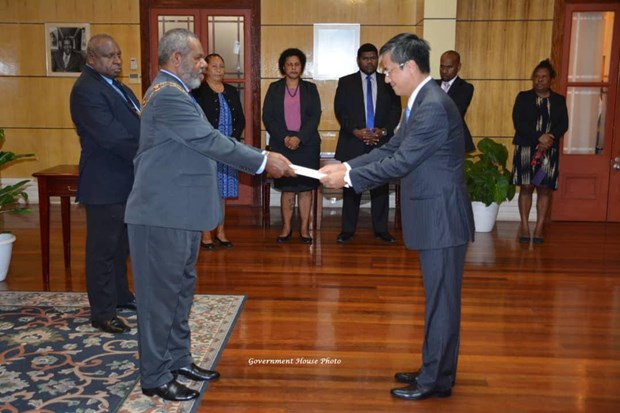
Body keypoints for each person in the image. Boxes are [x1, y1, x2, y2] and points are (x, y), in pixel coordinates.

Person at [125, 28, 292, 402]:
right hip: (160, 216)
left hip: (179, 213)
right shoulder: (169, 96)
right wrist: (263, 160)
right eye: (198, 57)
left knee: (180, 293)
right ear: (176, 59)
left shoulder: (176, 92)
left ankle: (178, 359)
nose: (203, 63)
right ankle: (155, 375)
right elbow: (209, 140)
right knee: (159, 301)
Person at [320, 33, 474, 401]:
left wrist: (350, 180)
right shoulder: (420, 102)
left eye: (389, 70)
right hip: (435, 215)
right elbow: (391, 148)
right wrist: (347, 165)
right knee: (439, 301)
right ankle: (436, 371)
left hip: (441, 218)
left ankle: (434, 380)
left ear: (410, 66)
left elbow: (402, 162)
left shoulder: (432, 105)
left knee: (442, 302)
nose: (385, 78)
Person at [69, 34, 140, 334]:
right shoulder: (86, 89)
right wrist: (149, 152)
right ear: (91, 58)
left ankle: (121, 296)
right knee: (103, 251)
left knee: (121, 246)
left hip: (126, 180)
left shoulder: (117, 86)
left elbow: (138, 122)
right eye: (110, 56)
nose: (118, 61)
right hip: (105, 182)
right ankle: (102, 313)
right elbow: (112, 137)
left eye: (119, 55)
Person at [333, 43, 402, 244]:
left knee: (380, 188)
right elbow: (340, 111)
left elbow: (395, 110)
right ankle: (347, 230)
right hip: (353, 142)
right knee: (351, 187)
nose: (369, 62)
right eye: (365, 58)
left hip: (381, 143)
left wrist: (383, 131)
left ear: (377, 60)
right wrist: (356, 131)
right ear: (358, 60)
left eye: (373, 58)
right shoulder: (346, 82)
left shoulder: (387, 81)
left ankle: (381, 230)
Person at [262, 48, 322, 245]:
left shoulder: (310, 88)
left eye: (297, 64)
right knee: (287, 189)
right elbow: (268, 117)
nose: (293, 68)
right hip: (282, 145)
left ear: (302, 67)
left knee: (305, 189)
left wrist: (299, 138)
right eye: (289, 64)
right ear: (283, 67)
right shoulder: (274, 88)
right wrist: (285, 137)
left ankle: (304, 229)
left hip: (307, 145)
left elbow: (315, 116)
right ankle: (286, 228)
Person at [511, 59, 568, 244]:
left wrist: (549, 138)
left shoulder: (559, 100)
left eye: (544, 77)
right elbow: (519, 122)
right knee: (527, 186)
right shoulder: (523, 97)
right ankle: (524, 226)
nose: (540, 80)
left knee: (543, 188)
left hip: (547, 154)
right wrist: (538, 137)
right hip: (526, 151)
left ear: (551, 79)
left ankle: (539, 227)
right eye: (536, 77)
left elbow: (563, 124)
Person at [192, 53, 245, 250]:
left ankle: (221, 232)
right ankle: (206, 233)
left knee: (222, 193)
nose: (219, 70)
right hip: (206, 149)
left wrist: (233, 140)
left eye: (221, 66)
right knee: (206, 191)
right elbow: (194, 120)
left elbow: (240, 119)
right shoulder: (197, 91)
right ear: (206, 69)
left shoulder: (231, 91)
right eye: (214, 66)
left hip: (227, 150)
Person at [436, 50, 475, 152]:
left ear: (458, 67)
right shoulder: (432, 85)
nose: (444, 71)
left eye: (449, 67)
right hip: (433, 140)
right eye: (442, 66)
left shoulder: (465, 87)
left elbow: (455, 110)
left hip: (454, 140)